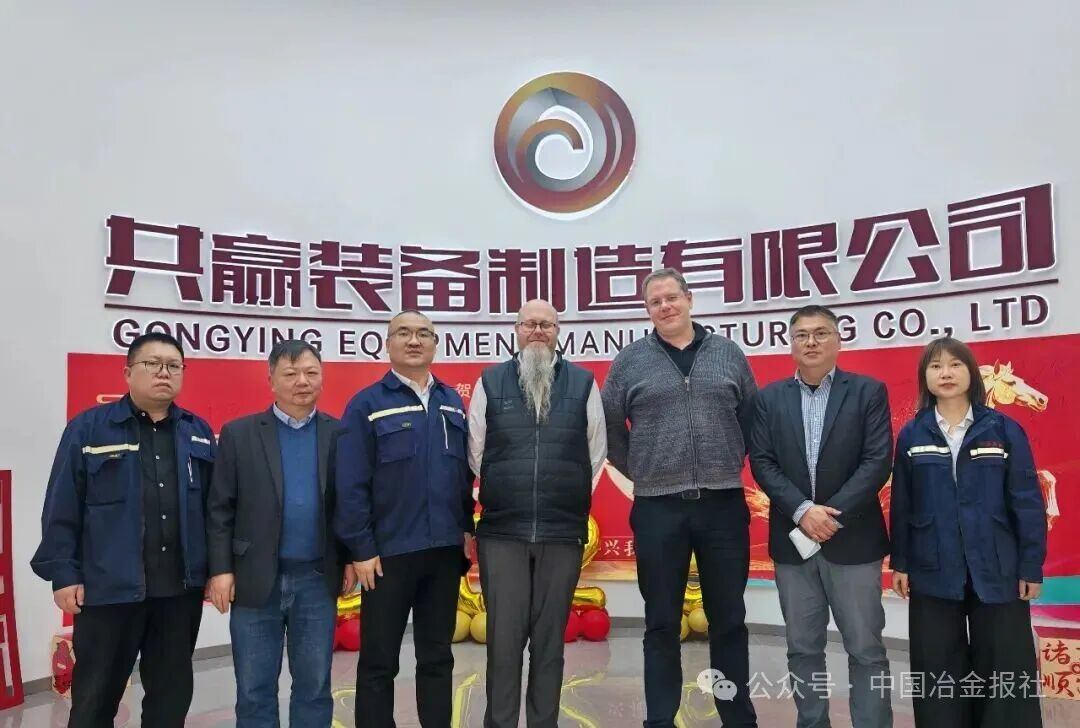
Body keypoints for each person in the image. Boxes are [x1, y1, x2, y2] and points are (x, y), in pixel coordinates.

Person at [31, 332, 215, 728]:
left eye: (174, 365)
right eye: (153, 364)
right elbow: (62, 504)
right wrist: (64, 573)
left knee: (170, 698)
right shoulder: (89, 429)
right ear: (128, 372)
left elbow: (213, 511)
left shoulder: (197, 432)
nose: (164, 372)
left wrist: (216, 570)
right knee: (95, 699)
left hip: (178, 593)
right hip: (108, 591)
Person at [601, 268, 758, 728]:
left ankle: (738, 719)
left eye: (672, 297)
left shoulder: (728, 353)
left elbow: (752, 418)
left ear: (689, 299)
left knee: (729, 619)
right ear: (647, 310)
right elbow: (608, 426)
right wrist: (644, 470)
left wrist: (725, 460)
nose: (665, 307)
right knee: (661, 623)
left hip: (722, 505)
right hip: (658, 508)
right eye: (656, 302)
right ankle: (659, 720)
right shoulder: (630, 361)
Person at [749, 305, 894, 727]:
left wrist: (828, 517)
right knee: (802, 648)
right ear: (790, 344)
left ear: (838, 340)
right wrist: (802, 511)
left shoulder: (867, 391)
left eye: (821, 333)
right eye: (802, 335)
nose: (811, 342)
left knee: (866, 649)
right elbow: (762, 462)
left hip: (854, 541)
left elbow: (876, 461)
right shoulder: (769, 398)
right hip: (793, 544)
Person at [891, 336, 1045, 727]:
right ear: (925, 377)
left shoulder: (1003, 429)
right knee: (937, 664)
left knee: (1005, 664)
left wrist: (1030, 566)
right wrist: (901, 563)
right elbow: (903, 505)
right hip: (932, 565)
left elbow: (1027, 501)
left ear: (971, 373)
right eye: (936, 366)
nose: (946, 373)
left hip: (997, 565)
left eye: (955, 364)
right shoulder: (913, 434)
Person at [467, 298, 607, 728]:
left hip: (561, 533)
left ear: (558, 332)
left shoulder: (583, 384)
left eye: (547, 324)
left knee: (550, 645)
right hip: (502, 532)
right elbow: (476, 453)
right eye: (529, 324)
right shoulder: (490, 382)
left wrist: (565, 497)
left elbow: (595, 455)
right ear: (516, 330)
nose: (538, 332)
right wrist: (505, 489)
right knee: (503, 644)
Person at [335, 310, 475, 728]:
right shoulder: (367, 404)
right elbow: (351, 483)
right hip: (387, 556)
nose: (414, 341)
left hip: (444, 552)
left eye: (423, 334)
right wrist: (361, 548)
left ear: (435, 344)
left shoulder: (452, 402)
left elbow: (462, 476)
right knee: (379, 661)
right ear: (388, 344)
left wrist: (466, 528)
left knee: (438, 657)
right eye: (403, 333)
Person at [206, 339, 352, 727]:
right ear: (271, 380)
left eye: (310, 372)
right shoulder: (239, 434)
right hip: (255, 580)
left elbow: (350, 504)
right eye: (290, 373)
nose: (302, 381)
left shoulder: (340, 434)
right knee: (254, 689)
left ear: (322, 377)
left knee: (314, 686)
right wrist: (220, 570)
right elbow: (220, 507)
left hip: (316, 580)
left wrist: (352, 557)